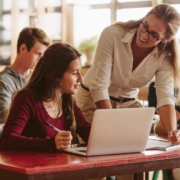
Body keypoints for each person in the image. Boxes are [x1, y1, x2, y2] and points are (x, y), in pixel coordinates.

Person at [76, 3, 180, 144]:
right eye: (145, 26)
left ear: (166, 39)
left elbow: (166, 97)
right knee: (93, 152)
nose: (144, 35)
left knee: (132, 155)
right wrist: (110, 125)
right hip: (92, 102)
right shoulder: (113, 34)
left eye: (154, 35)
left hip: (127, 106)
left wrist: (173, 133)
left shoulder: (166, 55)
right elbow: (99, 86)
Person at [0, 43, 91, 151]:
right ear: (56, 76)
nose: (81, 79)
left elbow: (87, 131)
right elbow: (7, 140)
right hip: (33, 166)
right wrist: (50, 144)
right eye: (75, 73)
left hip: (62, 166)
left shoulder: (67, 99)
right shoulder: (26, 98)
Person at [0, 27, 51, 123]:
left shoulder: (38, 79)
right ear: (23, 48)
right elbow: (5, 116)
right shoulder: (3, 81)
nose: (41, 60)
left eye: (43, 55)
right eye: (38, 53)